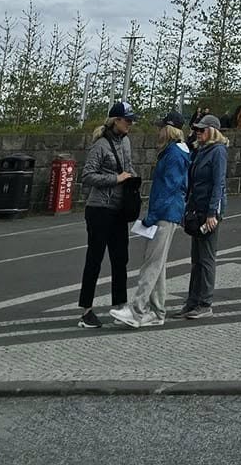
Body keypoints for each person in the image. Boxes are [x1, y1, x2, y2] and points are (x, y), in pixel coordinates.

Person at [118, 111, 190, 327]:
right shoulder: (175, 153)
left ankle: (138, 309)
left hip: (166, 212)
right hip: (168, 211)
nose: (158, 131)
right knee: (157, 263)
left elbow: (168, 188)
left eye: (161, 127)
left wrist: (152, 215)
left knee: (152, 263)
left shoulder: (173, 154)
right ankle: (157, 311)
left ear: (168, 129)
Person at [78, 101, 138, 329]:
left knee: (120, 258)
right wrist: (115, 179)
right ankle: (86, 310)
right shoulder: (100, 145)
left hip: (119, 208)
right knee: (95, 258)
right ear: (116, 121)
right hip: (99, 208)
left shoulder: (127, 143)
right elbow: (87, 175)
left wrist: (131, 177)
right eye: (127, 120)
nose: (130, 124)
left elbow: (128, 166)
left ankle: (121, 305)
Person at [182, 113, 228, 319]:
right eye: (196, 130)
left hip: (209, 211)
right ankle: (192, 300)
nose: (197, 133)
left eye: (202, 130)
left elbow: (218, 183)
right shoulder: (201, 151)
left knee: (206, 258)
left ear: (212, 131)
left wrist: (213, 213)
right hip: (197, 209)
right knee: (196, 258)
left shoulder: (217, 151)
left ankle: (205, 302)